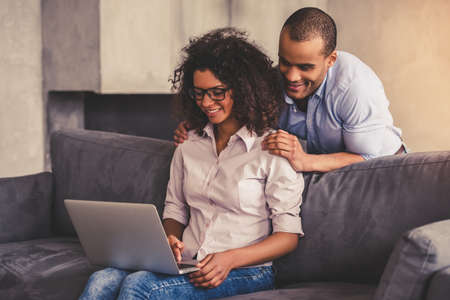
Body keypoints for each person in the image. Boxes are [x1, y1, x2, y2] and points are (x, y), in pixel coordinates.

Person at [79, 28, 304, 300]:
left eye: (217, 92)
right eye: (198, 93)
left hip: (247, 271)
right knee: (100, 280)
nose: (206, 102)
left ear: (244, 90)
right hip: (188, 262)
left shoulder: (271, 149)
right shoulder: (189, 144)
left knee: (139, 287)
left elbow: (288, 236)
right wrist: (171, 241)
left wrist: (229, 259)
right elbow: (175, 209)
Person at [174, 7, 406, 173]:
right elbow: (241, 118)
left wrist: (306, 161)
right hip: (320, 169)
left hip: (382, 171)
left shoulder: (355, 86)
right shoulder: (274, 81)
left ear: (331, 59)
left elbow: (368, 159)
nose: (292, 77)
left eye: (305, 67)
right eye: (285, 62)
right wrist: (198, 126)